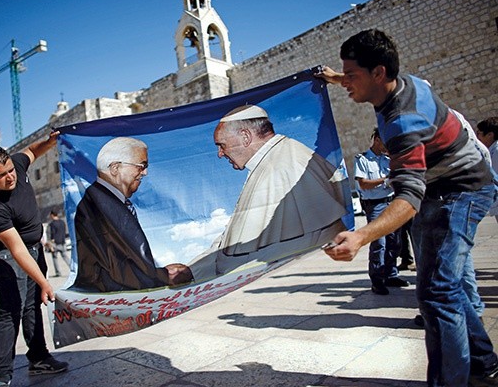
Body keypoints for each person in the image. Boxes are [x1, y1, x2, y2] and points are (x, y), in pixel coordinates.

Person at [317, 29, 498, 386]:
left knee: (436, 292)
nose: (347, 84)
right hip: (443, 183)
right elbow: (416, 186)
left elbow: (409, 196)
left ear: (379, 74)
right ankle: (482, 360)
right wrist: (337, 77)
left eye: (351, 76)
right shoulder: (406, 82)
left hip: (461, 189)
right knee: (451, 282)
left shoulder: (402, 122)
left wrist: (361, 236)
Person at [189, 104, 347, 281]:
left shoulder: (280, 168)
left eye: (222, 145)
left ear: (245, 136)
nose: (220, 153)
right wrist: (193, 270)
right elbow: (235, 238)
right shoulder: (277, 157)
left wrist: (196, 273)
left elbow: (255, 253)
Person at [0, 132, 68, 387]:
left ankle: (39, 359)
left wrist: (49, 143)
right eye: (1, 175)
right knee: (10, 312)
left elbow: (31, 150)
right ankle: (1, 375)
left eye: (10, 171)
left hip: (34, 250)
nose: (10, 178)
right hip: (9, 257)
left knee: (32, 308)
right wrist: (45, 282)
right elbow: (17, 249)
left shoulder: (16, 163)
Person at [72, 137, 191, 292]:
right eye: (142, 166)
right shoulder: (101, 205)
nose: (145, 173)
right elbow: (113, 267)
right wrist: (163, 276)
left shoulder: (105, 200)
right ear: (115, 168)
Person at [354, 127, 408, 295]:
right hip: (376, 204)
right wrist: (385, 180)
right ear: (377, 139)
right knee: (379, 242)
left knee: (395, 241)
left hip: (392, 202)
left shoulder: (388, 159)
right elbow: (363, 183)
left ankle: (391, 274)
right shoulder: (362, 159)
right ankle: (377, 279)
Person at [476, 116, 498, 223]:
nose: (477, 137)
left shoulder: (497, 152)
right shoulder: (491, 151)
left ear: (490, 135)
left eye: (479, 133)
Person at [45, 211, 70, 277]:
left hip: (55, 243)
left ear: (52, 215)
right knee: (65, 257)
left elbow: (50, 234)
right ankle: (73, 269)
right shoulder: (62, 222)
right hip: (62, 242)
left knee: (55, 258)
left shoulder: (52, 224)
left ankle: (58, 272)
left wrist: (50, 244)